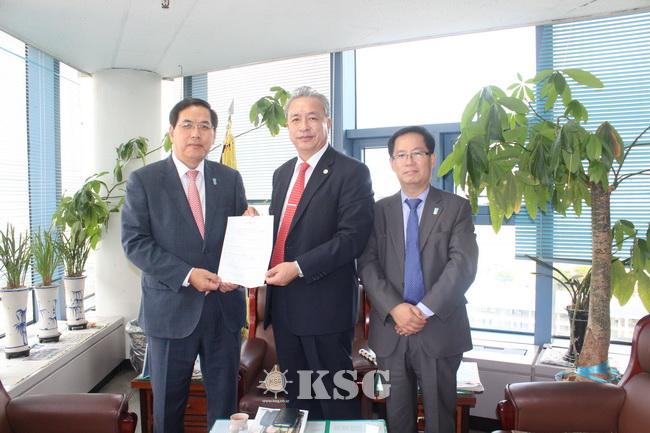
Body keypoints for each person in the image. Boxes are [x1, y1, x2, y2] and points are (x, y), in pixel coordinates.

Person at [121, 98, 252, 433]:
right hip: (170, 310)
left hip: (223, 310)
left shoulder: (230, 179)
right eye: (188, 125)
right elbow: (135, 243)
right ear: (171, 132)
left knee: (224, 408)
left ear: (213, 135)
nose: (196, 133)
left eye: (205, 126)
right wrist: (188, 274)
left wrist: (249, 235)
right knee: (168, 407)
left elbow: (238, 239)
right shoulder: (145, 181)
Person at [358, 126, 478, 433]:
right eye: (401, 155)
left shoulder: (456, 208)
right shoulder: (378, 211)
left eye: (417, 153)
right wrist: (396, 308)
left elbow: (462, 266)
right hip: (391, 331)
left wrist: (421, 311)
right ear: (392, 163)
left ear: (432, 158)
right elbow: (367, 264)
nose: (409, 161)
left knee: (440, 419)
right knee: (397, 418)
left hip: (439, 328)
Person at [264, 86, 374, 420]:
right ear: (287, 125)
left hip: (325, 310)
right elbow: (282, 233)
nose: (304, 126)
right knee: (298, 402)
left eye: (312, 117)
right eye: (295, 119)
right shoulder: (282, 173)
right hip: (284, 309)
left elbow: (352, 238)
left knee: (335, 402)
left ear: (328, 121)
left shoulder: (351, 172)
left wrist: (297, 267)